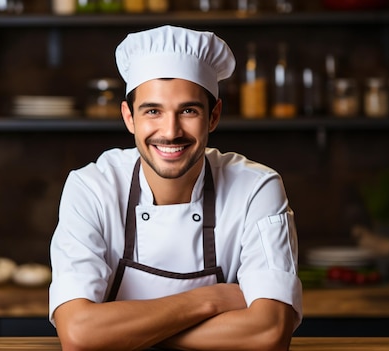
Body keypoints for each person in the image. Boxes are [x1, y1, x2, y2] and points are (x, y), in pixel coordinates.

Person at [49, 25, 302, 351]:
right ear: (129, 118)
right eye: (152, 111)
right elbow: (79, 334)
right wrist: (209, 300)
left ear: (213, 116)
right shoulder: (92, 188)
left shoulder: (256, 189)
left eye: (188, 111)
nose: (170, 131)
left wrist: (121, 334)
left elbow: (269, 332)